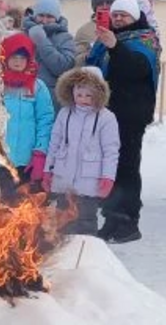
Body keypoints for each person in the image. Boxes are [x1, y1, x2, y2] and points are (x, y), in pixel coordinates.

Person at [87, 0, 159, 244]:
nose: (118, 19)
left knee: (126, 168)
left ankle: (129, 221)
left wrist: (114, 47)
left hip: (131, 114)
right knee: (109, 168)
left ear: (134, 17)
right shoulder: (109, 39)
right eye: (115, 15)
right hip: (108, 112)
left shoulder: (144, 40)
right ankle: (111, 217)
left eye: (123, 15)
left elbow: (136, 69)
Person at [43, 67, 120, 236]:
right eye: (79, 95)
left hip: (89, 181)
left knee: (86, 219)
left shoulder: (106, 118)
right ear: (72, 93)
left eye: (88, 95)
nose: (83, 99)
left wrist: (108, 177)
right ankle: (64, 247)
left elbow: (111, 151)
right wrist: (48, 170)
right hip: (64, 180)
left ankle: (87, 248)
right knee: (63, 219)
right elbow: (54, 144)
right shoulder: (65, 114)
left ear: (98, 94)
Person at [0, 32, 54, 201]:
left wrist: (40, 152)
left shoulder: (38, 87)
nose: (18, 61)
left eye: (23, 58)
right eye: (14, 57)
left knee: (23, 207)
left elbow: (45, 120)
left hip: (26, 162)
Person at [26, 0, 78, 84]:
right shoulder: (24, 33)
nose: (44, 21)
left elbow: (63, 68)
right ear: (35, 16)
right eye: (41, 15)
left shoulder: (65, 38)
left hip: (51, 91)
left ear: (56, 18)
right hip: (23, 89)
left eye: (49, 16)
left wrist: (42, 41)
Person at [72, 0, 116, 68]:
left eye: (108, 3)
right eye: (100, 3)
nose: (105, 6)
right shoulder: (84, 31)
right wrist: (88, 55)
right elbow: (75, 59)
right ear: (95, 7)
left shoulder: (120, 25)